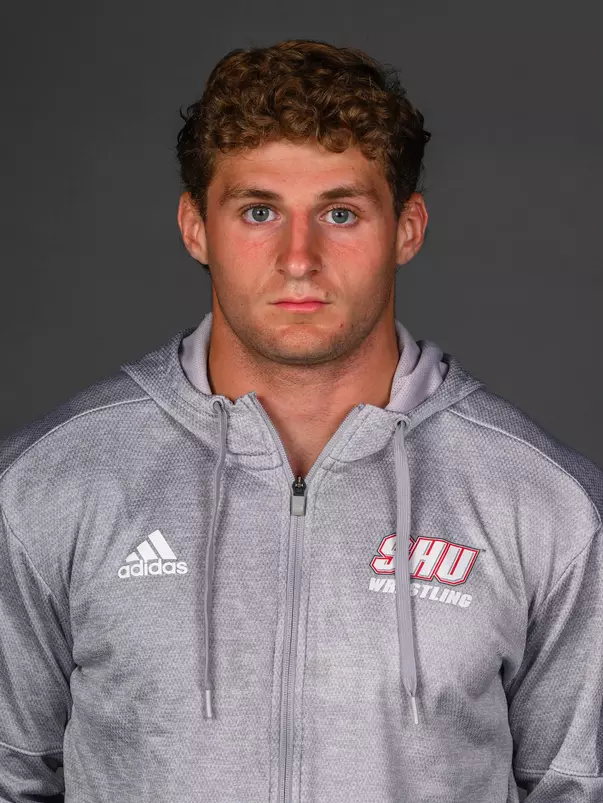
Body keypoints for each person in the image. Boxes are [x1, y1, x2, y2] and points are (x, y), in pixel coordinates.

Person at [0, 37, 601, 803]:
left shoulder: (543, 503)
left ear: (406, 229)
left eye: (340, 212)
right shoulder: (48, 485)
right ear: (195, 227)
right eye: (257, 211)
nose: (297, 257)